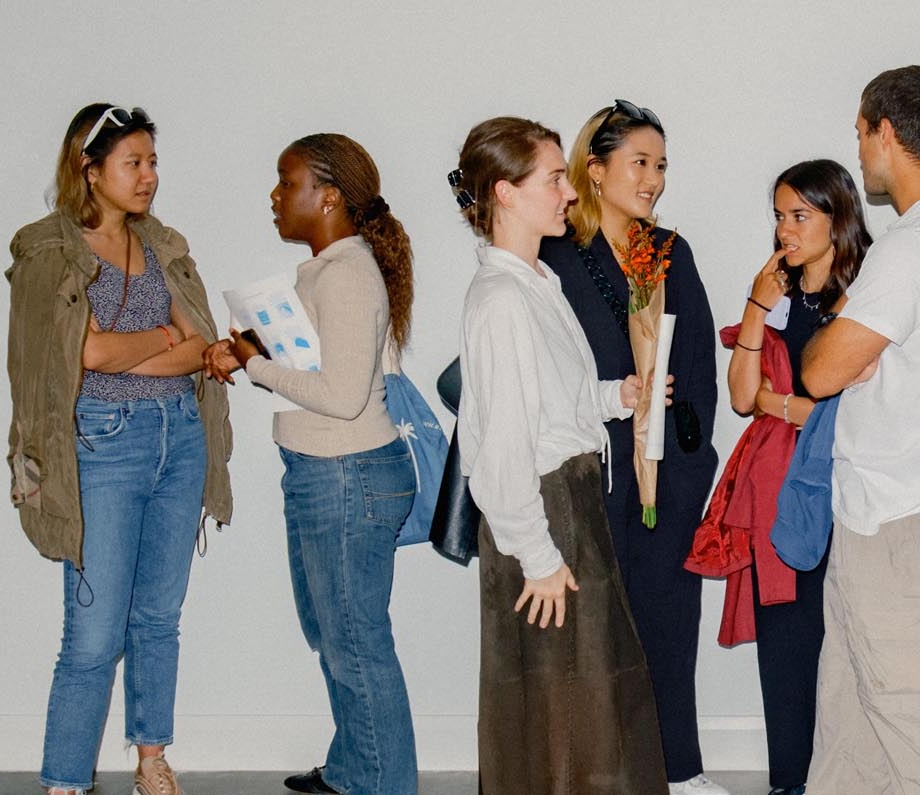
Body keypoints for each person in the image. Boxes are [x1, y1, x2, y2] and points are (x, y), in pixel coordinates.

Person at [5, 103, 232, 795]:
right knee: (94, 630)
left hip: (180, 439)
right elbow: (80, 354)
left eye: (152, 162)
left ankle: (152, 757)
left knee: (159, 615)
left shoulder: (162, 243)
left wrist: (146, 349)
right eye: (133, 163)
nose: (148, 177)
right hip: (101, 445)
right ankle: (66, 779)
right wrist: (165, 341)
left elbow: (202, 346)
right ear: (89, 167)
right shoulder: (49, 249)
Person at [450, 116, 664, 794]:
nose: (568, 193)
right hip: (543, 513)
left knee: (584, 697)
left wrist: (613, 396)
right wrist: (538, 556)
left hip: (565, 504)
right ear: (506, 193)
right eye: (552, 180)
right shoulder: (502, 297)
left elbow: (549, 401)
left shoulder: (534, 282)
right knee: (562, 706)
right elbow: (504, 441)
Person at [203, 133, 418, 795]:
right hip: (326, 471)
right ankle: (357, 767)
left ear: (328, 196)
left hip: (346, 472)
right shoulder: (328, 271)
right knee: (337, 634)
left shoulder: (348, 274)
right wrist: (250, 348)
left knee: (355, 640)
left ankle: (383, 783)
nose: (274, 195)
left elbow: (343, 397)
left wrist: (253, 363)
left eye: (285, 180)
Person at [796, 64, 920, 794]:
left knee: (914, 709)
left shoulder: (914, 245)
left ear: (888, 134)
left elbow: (818, 372)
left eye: (861, 134)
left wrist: (838, 334)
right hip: (888, 512)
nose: (860, 151)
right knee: (853, 723)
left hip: (896, 518)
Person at [535, 101, 722, 795]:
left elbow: (699, 363)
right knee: (591, 629)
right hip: (588, 466)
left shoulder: (668, 250)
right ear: (596, 168)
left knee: (669, 619)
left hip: (666, 473)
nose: (653, 179)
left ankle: (680, 768)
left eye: (661, 165)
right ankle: (601, 770)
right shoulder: (555, 254)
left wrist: (688, 456)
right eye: (640, 162)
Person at [720, 160, 872, 795]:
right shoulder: (776, 296)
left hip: (844, 488)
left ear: (837, 220)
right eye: (779, 216)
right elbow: (738, 394)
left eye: (800, 216)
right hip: (775, 489)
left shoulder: (863, 298)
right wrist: (758, 303)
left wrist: (779, 405)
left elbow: (844, 412)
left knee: (841, 640)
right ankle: (790, 780)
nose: (786, 229)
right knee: (783, 642)